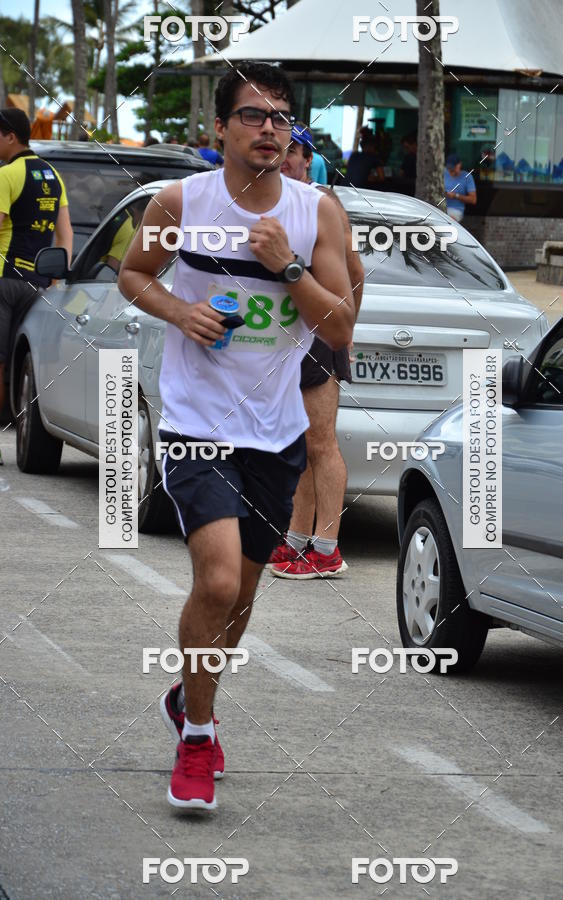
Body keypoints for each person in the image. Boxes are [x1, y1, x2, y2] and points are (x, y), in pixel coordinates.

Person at [118, 61, 354, 811]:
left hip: (275, 433)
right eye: (253, 115)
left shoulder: (317, 213)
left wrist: (286, 266)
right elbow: (133, 274)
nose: (269, 129)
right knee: (217, 581)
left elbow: (340, 326)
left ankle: (190, 697)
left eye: (281, 117)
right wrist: (180, 311)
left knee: (243, 596)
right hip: (196, 422)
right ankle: (196, 737)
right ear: (219, 128)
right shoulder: (180, 201)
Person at [271, 123, 364, 577]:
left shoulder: (322, 203)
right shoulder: (271, 201)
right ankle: (295, 540)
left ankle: (327, 548)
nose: (286, 158)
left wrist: (345, 330)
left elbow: (355, 270)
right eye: (281, 150)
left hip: (319, 337)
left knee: (321, 442)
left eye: (295, 151)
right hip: (280, 338)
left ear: (308, 160)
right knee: (299, 441)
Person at [0, 108, 72, 460]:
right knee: (20, 359)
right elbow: (65, 232)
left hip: (4, 278)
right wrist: (58, 276)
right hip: (38, 284)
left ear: (10, 136)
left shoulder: (7, 174)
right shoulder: (53, 175)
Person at [444, 153, 477, 222]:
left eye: (453, 168)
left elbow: (473, 200)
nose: (451, 171)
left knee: (447, 221)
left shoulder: (467, 177)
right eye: (449, 168)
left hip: (455, 209)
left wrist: (455, 196)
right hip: (440, 207)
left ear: (459, 165)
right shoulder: (443, 173)